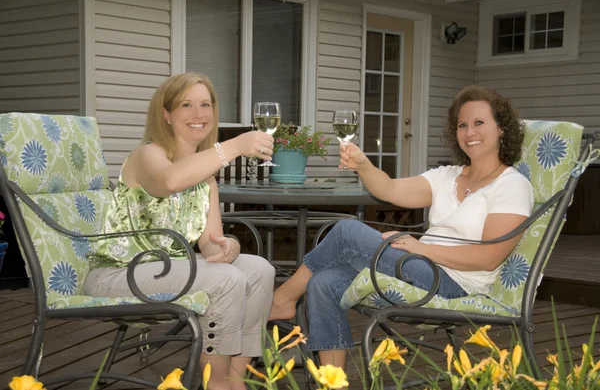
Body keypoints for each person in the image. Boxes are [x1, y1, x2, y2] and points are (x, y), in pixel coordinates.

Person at [269, 85, 534, 369]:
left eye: (479, 123)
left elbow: (489, 257)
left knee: (348, 231)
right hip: (420, 266)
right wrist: (363, 165)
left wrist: (423, 249)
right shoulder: (447, 176)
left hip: (457, 285)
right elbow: (390, 189)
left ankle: (281, 300)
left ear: (502, 128)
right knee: (325, 282)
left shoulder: (512, 185)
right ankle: (332, 383)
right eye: (462, 125)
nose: (469, 133)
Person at [84, 72, 276, 390]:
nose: (198, 114)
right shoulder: (148, 155)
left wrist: (229, 246)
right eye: (186, 105)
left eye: (205, 104)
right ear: (167, 115)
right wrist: (234, 147)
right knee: (227, 280)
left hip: (168, 271)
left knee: (259, 269)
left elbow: (210, 245)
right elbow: (168, 182)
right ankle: (216, 383)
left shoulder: (206, 176)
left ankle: (235, 380)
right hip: (118, 275)